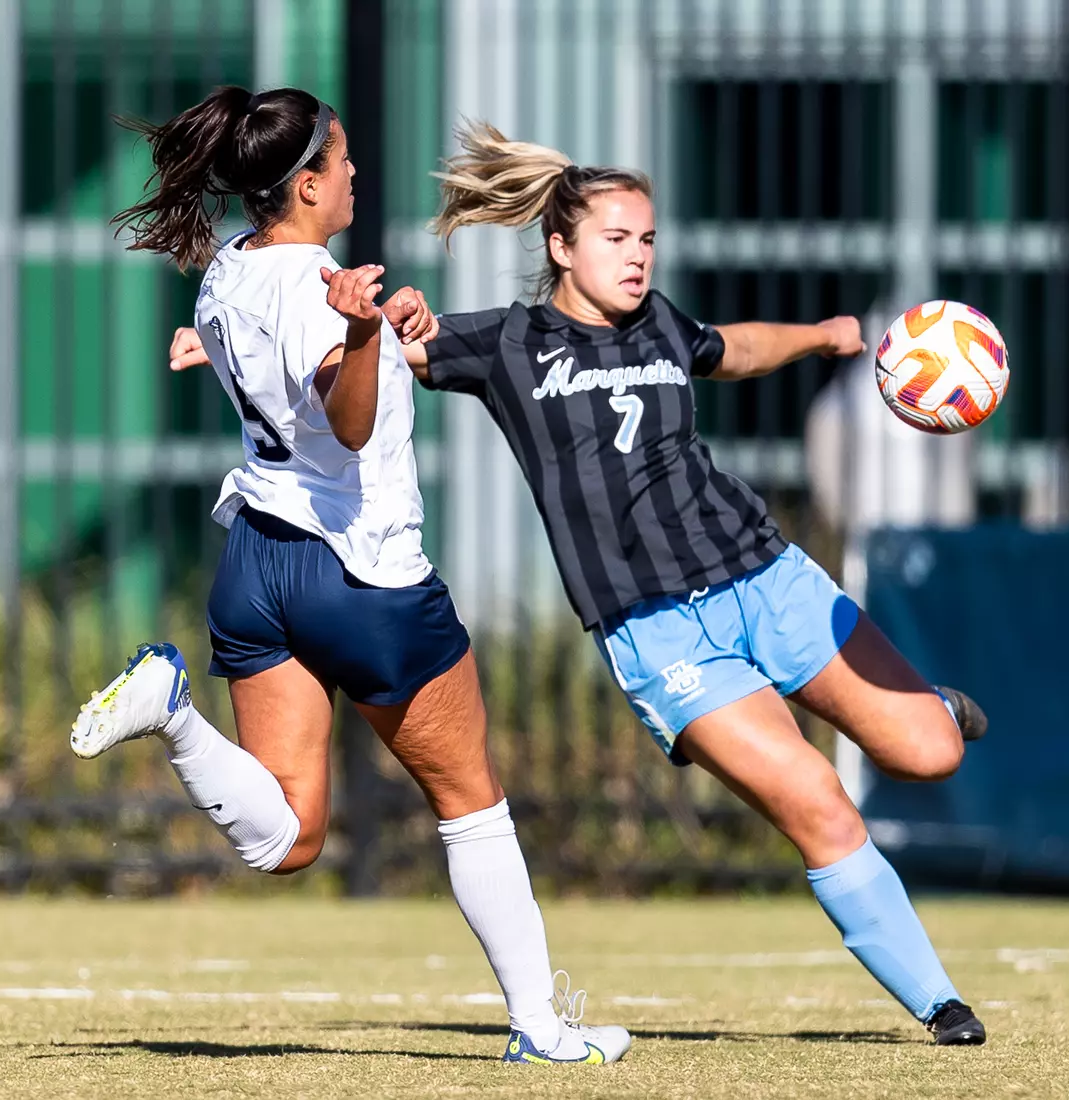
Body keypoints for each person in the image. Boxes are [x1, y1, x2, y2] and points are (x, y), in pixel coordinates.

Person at [166, 121, 991, 1046]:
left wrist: (825, 336)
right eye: (616, 240)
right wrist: (236, 352)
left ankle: (938, 712)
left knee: (928, 754)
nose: (637, 259)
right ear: (559, 246)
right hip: (660, 635)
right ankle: (940, 1005)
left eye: (646, 241)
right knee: (817, 804)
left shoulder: (662, 324)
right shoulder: (507, 345)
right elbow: (353, 370)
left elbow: (732, 346)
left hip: (769, 577)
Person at [76, 88, 629, 1067]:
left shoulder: (229, 270)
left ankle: (172, 708)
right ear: (305, 184)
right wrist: (366, 333)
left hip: (255, 562)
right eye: (343, 159)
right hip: (361, 575)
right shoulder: (315, 287)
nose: (356, 173)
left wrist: (383, 321)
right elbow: (344, 419)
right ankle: (540, 1025)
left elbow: (269, 357)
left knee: (284, 838)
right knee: (472, 802)